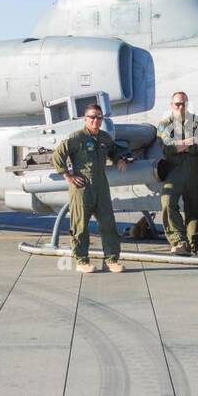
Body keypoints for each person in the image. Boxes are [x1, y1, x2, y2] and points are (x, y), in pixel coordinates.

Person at [51, 104, 129, 273]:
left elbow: (114, 151)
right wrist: (68, 176)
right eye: (92, 117)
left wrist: (119, 160)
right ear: (85, 119)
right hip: (82, 188)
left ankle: (111, 260)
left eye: (99, 117)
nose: (95, 120)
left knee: (108, 224)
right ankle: (81, 260)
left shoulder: (105, 138)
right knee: (80, 226)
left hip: (101, 186)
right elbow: (58, 156)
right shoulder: (76, 137)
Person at [156, 91, 198, 255]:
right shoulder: (164, 124)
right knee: (167, 202)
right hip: (174, 170)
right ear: (171, 105)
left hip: (194, 171)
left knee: (196, 209)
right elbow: (165, 147)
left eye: (183, 104)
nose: (180, 107)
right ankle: (179, 240)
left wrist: (178, 145)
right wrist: (190, 141)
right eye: (177, 104)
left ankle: (192, 245)